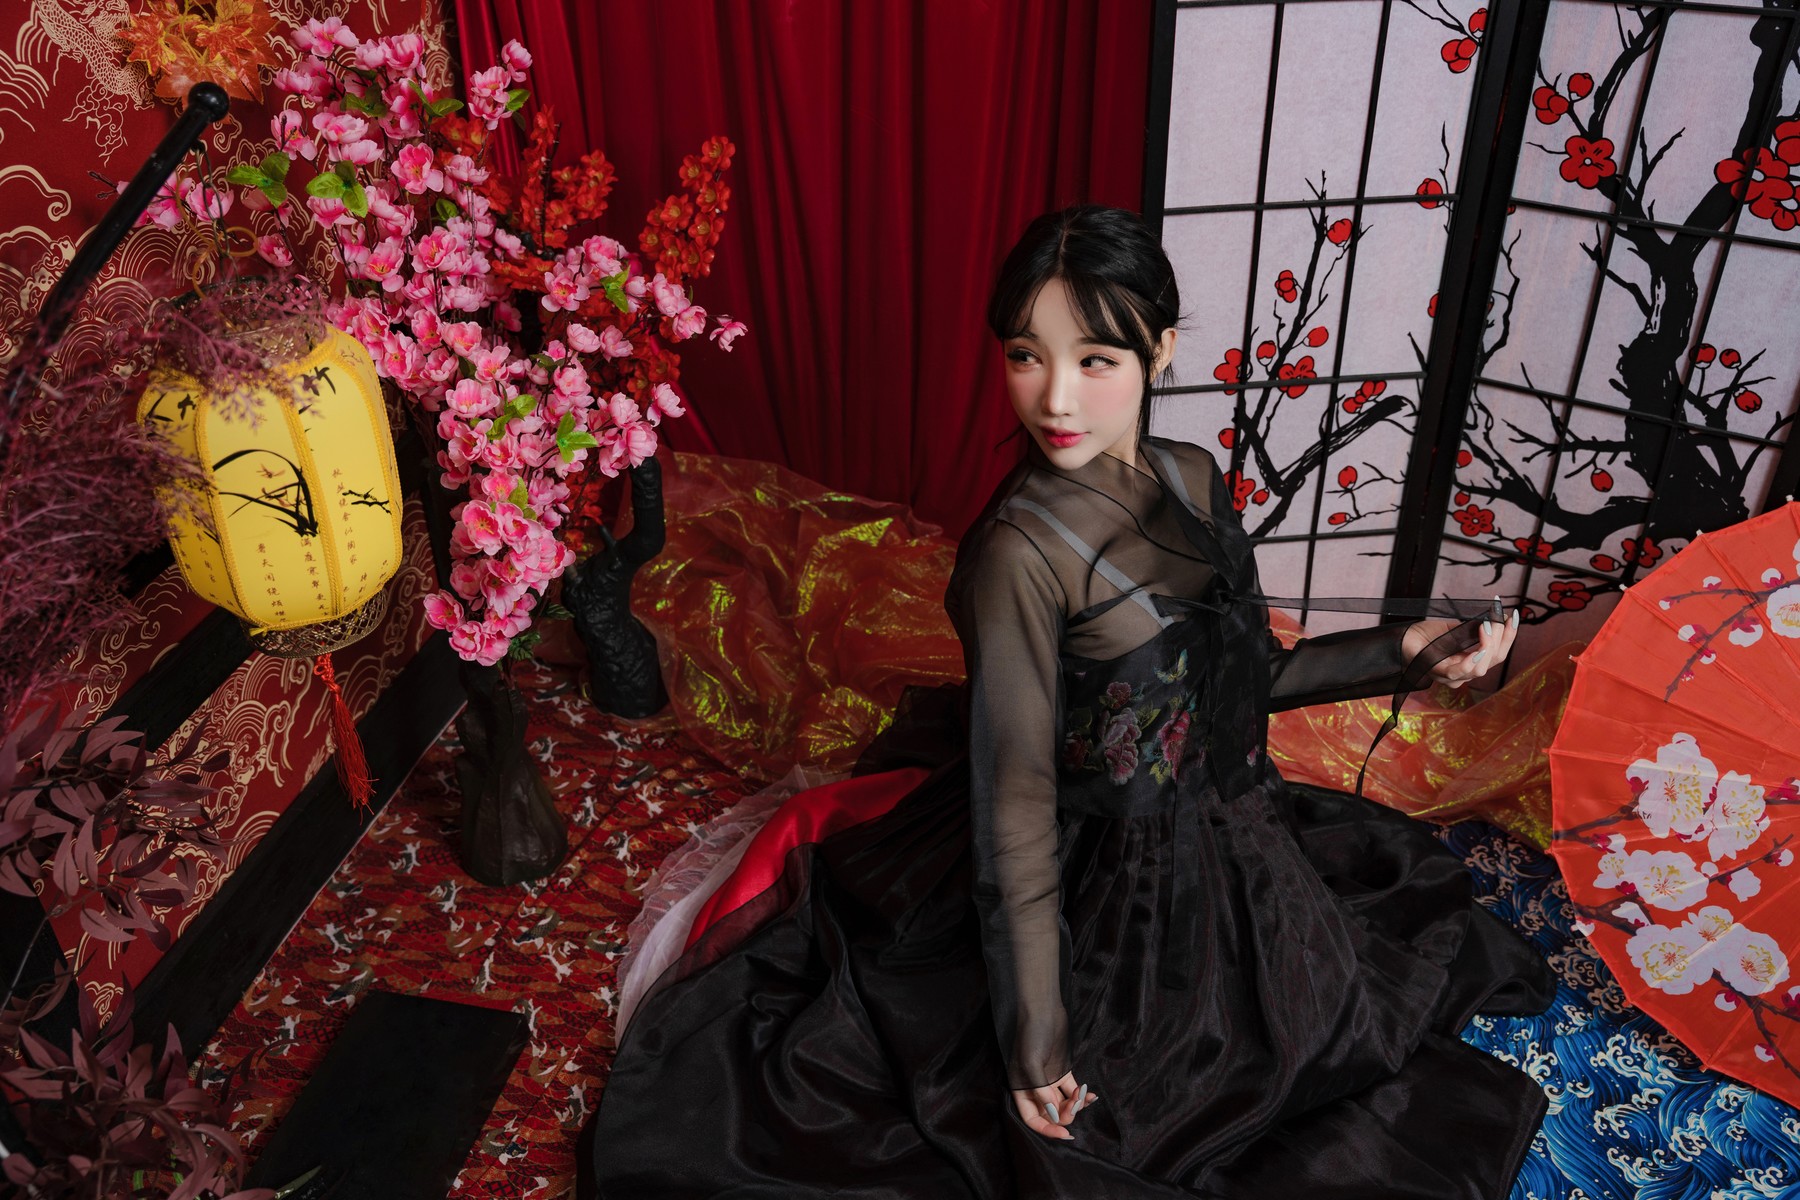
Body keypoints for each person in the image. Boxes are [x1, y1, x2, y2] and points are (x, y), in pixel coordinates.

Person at [580, 205, 1553, 1199]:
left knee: (1330, 1024)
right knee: (1137, 1130)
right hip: (1102, 887)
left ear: (1159, 351)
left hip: (1236, 831)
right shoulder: (1018, 555)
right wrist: (1035, 1037)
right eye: (1025, 355)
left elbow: (1237, 681)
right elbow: (1015, 809)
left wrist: (1403, 652)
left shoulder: (1193, 477)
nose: (1054, 397)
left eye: (1095, 359)